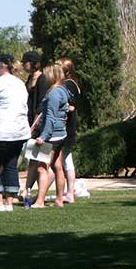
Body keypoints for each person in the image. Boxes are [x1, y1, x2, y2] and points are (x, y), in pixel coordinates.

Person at [0, 54, 30, 211]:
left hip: (0, 131)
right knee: (10, 165)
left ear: (1, 66)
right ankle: (9, 202)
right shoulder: (20, 83)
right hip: (20, 132)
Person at [33, 64, 72, 208]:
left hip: (52, 135)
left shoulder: (54, 93)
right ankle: (59, 200)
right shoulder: (63, 90)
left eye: (46, 75)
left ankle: (40, 201)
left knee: (42, 168)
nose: (44, 78)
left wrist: (43, 136)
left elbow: (50, 116)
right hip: (61, 134)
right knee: (58, 167)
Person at [21, 50, 54, 209]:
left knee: (42, 163)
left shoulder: (42, 79)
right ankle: (26, 192)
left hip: (39, 125)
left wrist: (34, 125)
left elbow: (42, 106)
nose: (23, 65)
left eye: (25, 62)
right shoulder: (29, 78)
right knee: (32, 160)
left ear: (33, 62)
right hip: (29, 123)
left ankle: (40, 198)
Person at [58, 57, 82, 204]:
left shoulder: (68, 84)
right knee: (67, 159)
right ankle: (69, 192)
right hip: (68, 127)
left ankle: (68, 192)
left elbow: (71, 106)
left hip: (66, 127)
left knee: (63, 160)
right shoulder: (73, 84)